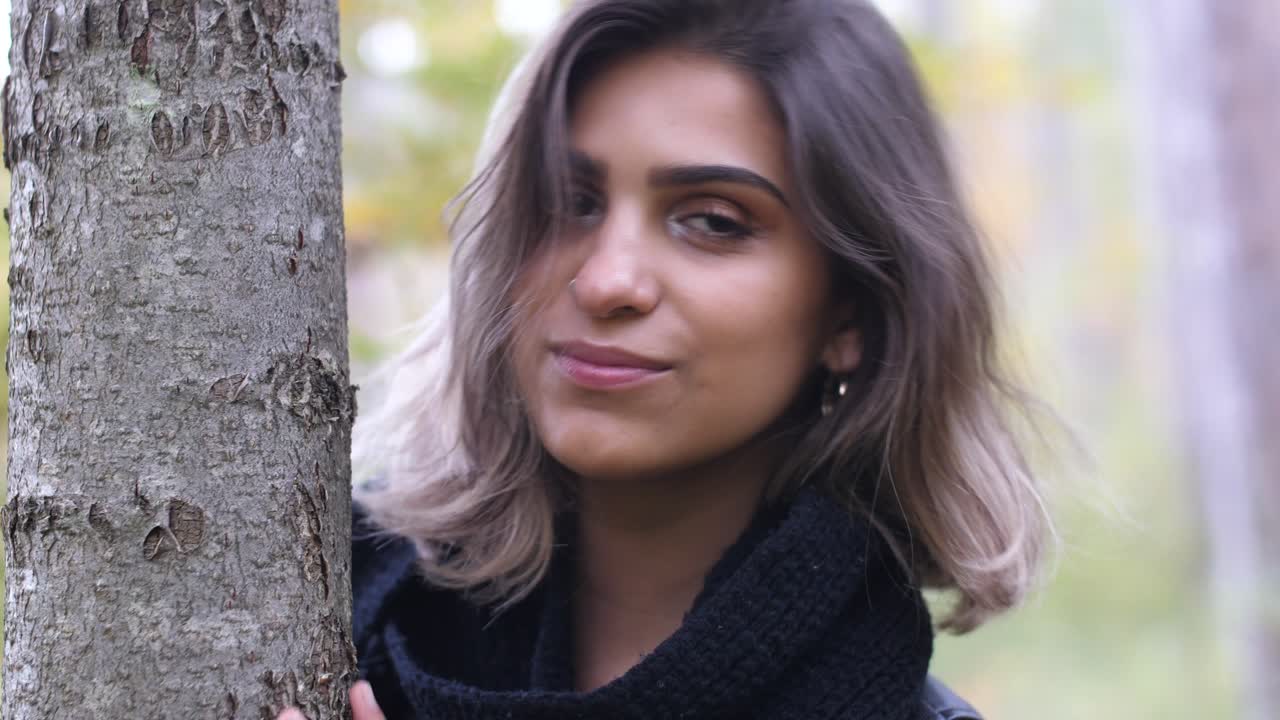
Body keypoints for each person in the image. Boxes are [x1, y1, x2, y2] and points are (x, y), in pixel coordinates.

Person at [281, 0, 1052, 717]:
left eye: (712, 221)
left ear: (850, 311)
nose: (606, 280)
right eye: (569, 200)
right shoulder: (305, 618)